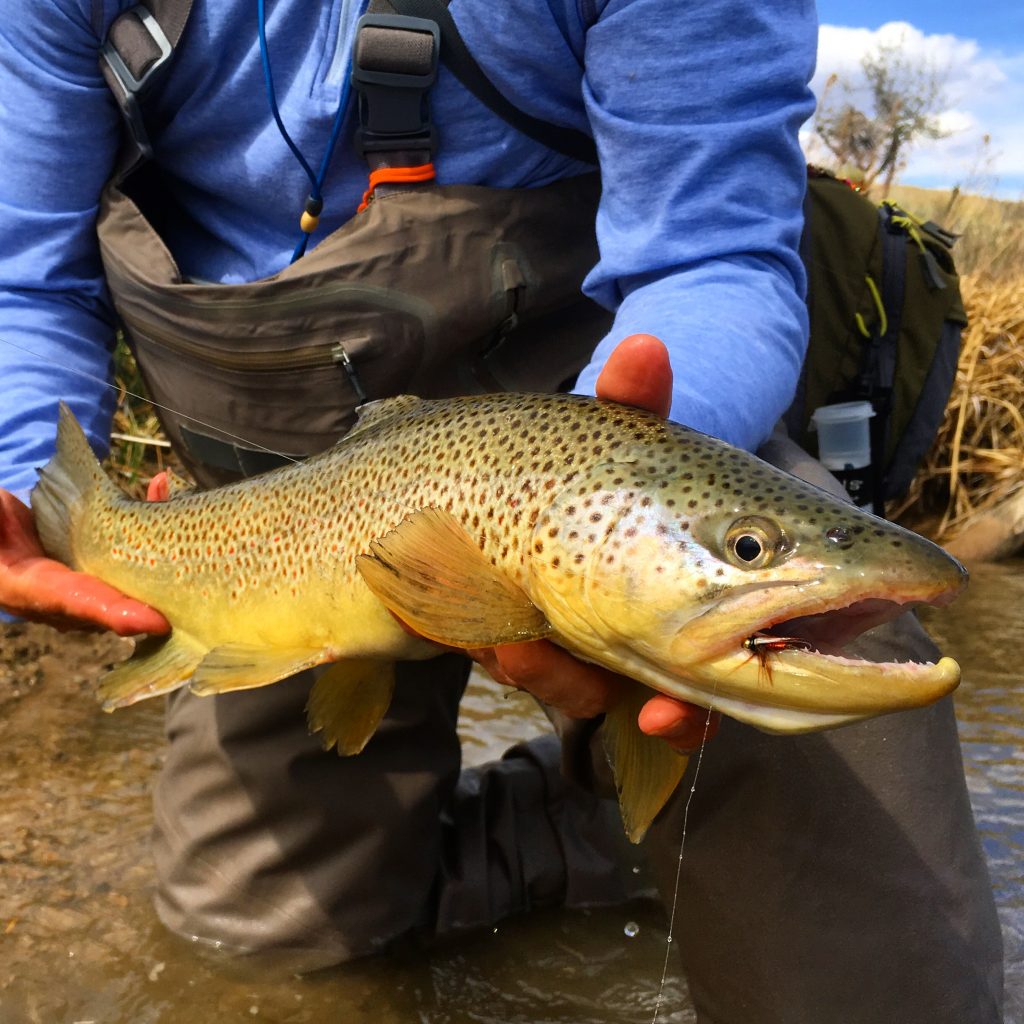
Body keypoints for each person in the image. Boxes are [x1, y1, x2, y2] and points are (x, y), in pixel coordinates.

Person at [0, 1, 1003, 1020]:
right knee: (258, 951)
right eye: (751, 548)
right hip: (271, 504)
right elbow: (23, 280)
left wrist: (621, 444)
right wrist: (26, 482)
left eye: (747, 548)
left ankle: (633, 805)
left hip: (616, 412)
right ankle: (579, 824)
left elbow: (715, 252)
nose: (757, 555)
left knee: (857, 867)